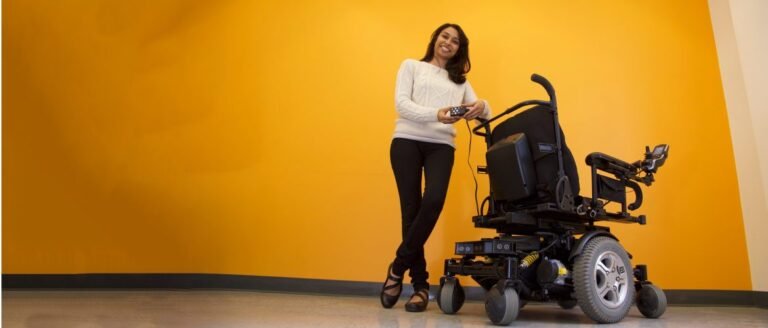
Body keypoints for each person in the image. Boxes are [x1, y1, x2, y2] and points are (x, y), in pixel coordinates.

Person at [380, 23, 491, 312]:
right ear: (435, 39)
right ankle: (420, 286)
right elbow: (402, 104)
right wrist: (436, 114)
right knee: (411, 211)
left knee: (433, 201)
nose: (448, 43)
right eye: (445, 36)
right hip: (406, 140)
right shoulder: (411, 67)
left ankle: (397, 266)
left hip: (441, 146)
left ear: (459, 49)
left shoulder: (460, 82)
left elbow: (481, 115)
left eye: (455, 41)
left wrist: (482, 105)